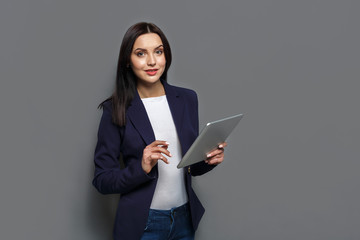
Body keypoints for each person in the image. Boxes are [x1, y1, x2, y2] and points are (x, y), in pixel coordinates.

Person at [92, 22, 227, 240]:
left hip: (184, 220)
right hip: (144, 225)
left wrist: (208, 160)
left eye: (158, 51)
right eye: (141, 53)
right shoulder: (115, 109)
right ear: (128, 61)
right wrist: (142, 167)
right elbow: (102, 180)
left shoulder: (187, 99)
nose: (152, 61)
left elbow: (188, 168)